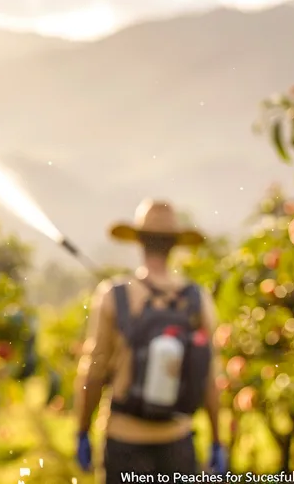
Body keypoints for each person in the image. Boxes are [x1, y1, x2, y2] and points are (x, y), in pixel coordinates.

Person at [74, 199, 227, 483]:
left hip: (124, 439)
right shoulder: (197, 298)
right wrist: (218, 439)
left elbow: (93, 371)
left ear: (140, 242)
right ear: (174, 245)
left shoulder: (113, 294)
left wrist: (82, 430)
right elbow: (209, 376)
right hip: (178, 440)